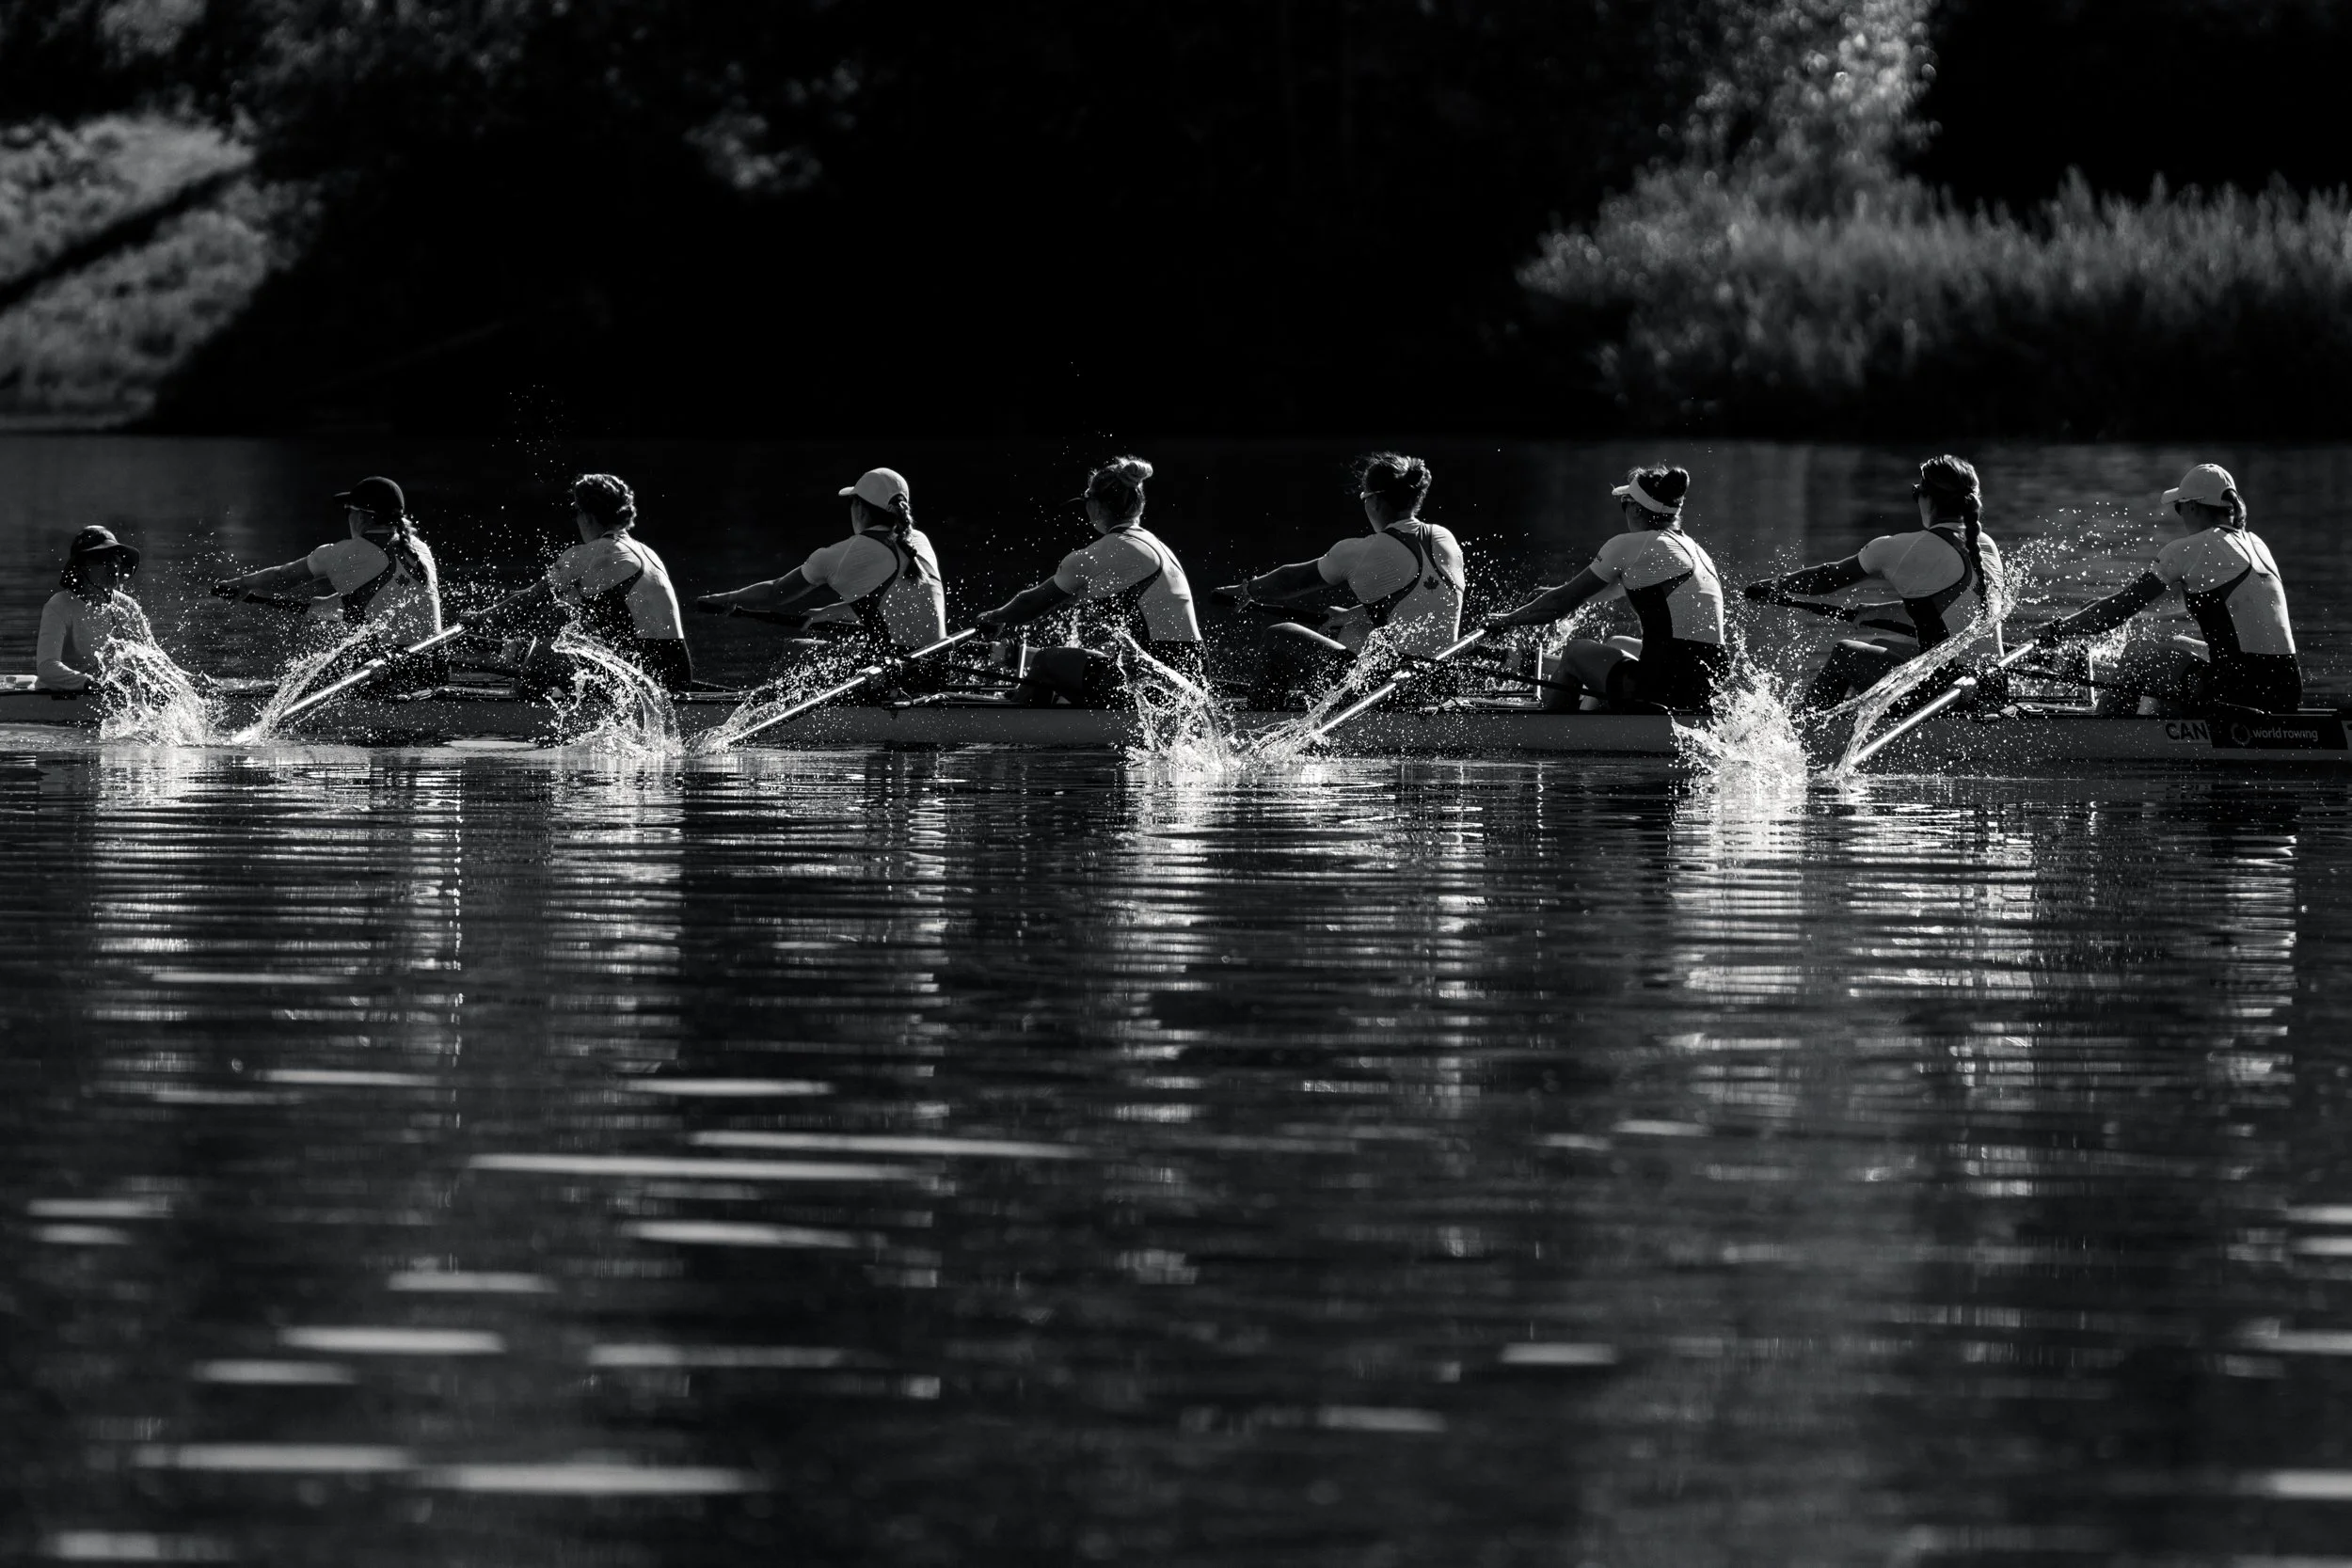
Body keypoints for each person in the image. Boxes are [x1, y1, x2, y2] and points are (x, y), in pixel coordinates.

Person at [2027, 462, 2301, 714]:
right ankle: (2152, 721)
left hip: (2242, 692)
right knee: (2177, 643)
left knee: (2137, 654)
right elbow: (2139, 604)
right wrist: (2098, 607)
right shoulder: (2257, 544)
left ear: (2193, 506)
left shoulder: (2190, 549)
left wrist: (2058, 629)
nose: (2179, 515)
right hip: (2286, 688)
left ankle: (2104, 733)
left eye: (2178, 507)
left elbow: (2121, 609)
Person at [1741, 454, 2003, 711]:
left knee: (1846, 653)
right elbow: (1949, 612)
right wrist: (1878, 611)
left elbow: (1826, 578)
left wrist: (1776, 585)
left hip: (1950, 694)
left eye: (1916, 492)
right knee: (1882, 646)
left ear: (1928, 498)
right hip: (1990, 685)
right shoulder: (1985, 545)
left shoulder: (1903, 549)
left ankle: (1805, 732)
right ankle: (1851, 715)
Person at [1227, 451, 1463, 707]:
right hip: (1441, 682)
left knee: (1280, 634)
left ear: (1375, 501)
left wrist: (1247, 589)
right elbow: (1421, 605)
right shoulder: (1445, 539)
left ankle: (1259, 716)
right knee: (1354, 630)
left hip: (1396, 689)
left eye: (1364, 497)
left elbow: (1291, 580)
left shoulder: (1361, 552)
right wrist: (1349, 615)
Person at [1484, 466, 1727, 712]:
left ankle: (1550, 733)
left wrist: (1506, 620)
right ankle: (1592, 714)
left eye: (1625, 502)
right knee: (1615, 643)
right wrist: (1555, 592)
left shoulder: (1630, 545)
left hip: (1667, 684)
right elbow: (1598, 592)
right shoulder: (1694, 549)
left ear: (1637, 508)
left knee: (1574, 652)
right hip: (1706, 683)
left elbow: (1561, 604)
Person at [973, 456, 1203, 706]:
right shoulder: (1156, 546)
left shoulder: (1097, 554)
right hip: (1193, 673)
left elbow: (1030, 604)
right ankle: (1042, 712)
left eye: (1086, 503)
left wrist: (995, 616)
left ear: (1098, 506)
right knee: (1100, 652)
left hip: (1156, 681)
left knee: (1045, 661)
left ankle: (1013, 726)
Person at [212, 475, 446, 693]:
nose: (347, 517)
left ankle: (237, 693)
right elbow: (392, 596)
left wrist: (243, 583)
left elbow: (284, 577)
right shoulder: (420, 549)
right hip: (434, 668)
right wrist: (330, 604)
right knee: (313, 672)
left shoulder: (343, 554)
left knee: (296, 683)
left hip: (387, 672)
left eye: (348, 511)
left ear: (362, 516)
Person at [694, 467, 947, 656]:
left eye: (852, 502)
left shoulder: (842, 555)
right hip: (936, 666)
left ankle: (762, 713)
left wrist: (727, 599)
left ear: (859, 507)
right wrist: (828, 612)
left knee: (797, 650)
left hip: (898, 673)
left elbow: (775, 593)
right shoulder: (919, 541)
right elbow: (895, 605)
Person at [536, 472, 694, 691]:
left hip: (645, 680)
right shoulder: (646, 552)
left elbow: (531, 601)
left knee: (538, 656)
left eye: (575, 512)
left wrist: (478, 619)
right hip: (677, 677)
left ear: (588, 516)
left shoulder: (597, 552)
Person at [38, 526, 151, 692]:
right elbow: (47, 667)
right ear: (81, 567)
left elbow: (150, 662)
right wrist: (93, 684)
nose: (113, 566)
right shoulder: (58, 606)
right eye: (103, 559)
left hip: (110, 692)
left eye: (116, 559)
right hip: (65, 695)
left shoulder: (128, 606)